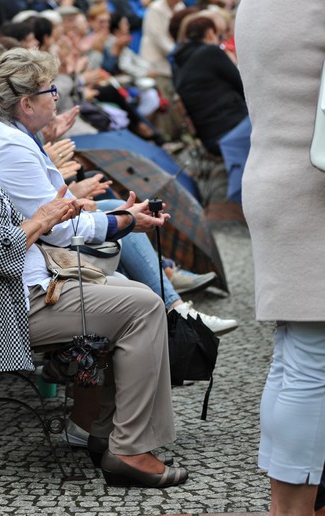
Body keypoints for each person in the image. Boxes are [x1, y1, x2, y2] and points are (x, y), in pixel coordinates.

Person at [0, 75, 188, 488]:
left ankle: (101, 431)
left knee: (136, 294)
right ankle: (129, 448)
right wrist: (45, 218)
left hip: (5, 294)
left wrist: (59, 210)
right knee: (142, 307)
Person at [0, 48, 237, 337]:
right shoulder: (10, 147)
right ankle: (174, 308)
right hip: (34, 275)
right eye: (50, 89)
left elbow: (47, 209)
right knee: (125, 240)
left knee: (113, 207)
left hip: (38, 255)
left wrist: (94, 207)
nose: (56, 95)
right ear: (27, 104)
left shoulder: (7, 133)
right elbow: (56, 229)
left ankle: (173, 302)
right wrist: (123, 221)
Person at [235, 2, 325, 514]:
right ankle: (292, 508)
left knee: (295, 360)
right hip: (313, 188)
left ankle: (290, 504)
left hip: (278, 173)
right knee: (310, 363)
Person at [173, 14, 247, 156]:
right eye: (220, 36)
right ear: (210, 33)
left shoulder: (180, 66)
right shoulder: (210, 52)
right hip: (233, 127)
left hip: (210, 139)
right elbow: (243, 86)